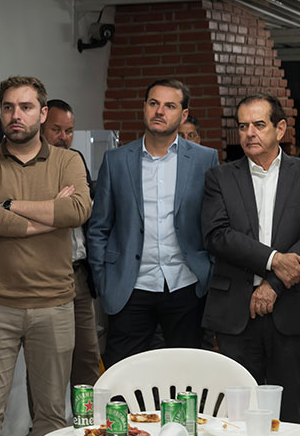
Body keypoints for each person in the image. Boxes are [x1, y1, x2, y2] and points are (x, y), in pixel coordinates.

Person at [0, 77, 91, 436]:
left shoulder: (67, 161)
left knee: (51, 412)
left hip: (54, 305)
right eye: (8, 107)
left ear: (43, 112)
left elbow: (77, 211)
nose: (15, 115)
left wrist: (10, 204)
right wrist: (50, 214)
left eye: (25, 107)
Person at [201, 93, 300, 423]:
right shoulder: (219, 177)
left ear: (280, 129)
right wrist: (273, 259)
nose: (249, 133)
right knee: (236, 415)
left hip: (291, 308)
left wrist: (273, 283)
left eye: (259, 124)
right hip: (234, 312)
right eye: (243, 126)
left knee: (288, 412)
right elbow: (216, 235)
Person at [87, 79, 219, 369]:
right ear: (144, 107)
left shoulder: (205, 159)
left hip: (186, 284)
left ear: (183, 114)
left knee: (186, 375)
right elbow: (99, 226)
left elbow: (215, 223)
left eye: (170, 105)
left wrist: (209, 270)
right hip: (130, 286)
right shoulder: (116, 160)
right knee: (122, 374)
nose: (160, 111)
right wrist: (103, 278)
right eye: (154, 103)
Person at [41, 99, 100, 386]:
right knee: (49, 362)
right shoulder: (31, 165)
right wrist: (58, 207)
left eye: (69, 131)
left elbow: (84, 211)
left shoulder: (76, 160)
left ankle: (86, 414)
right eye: (56, 129)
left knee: (87, 355)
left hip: (79, 274)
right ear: (41, 126)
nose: (63, 137)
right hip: (46, 275)